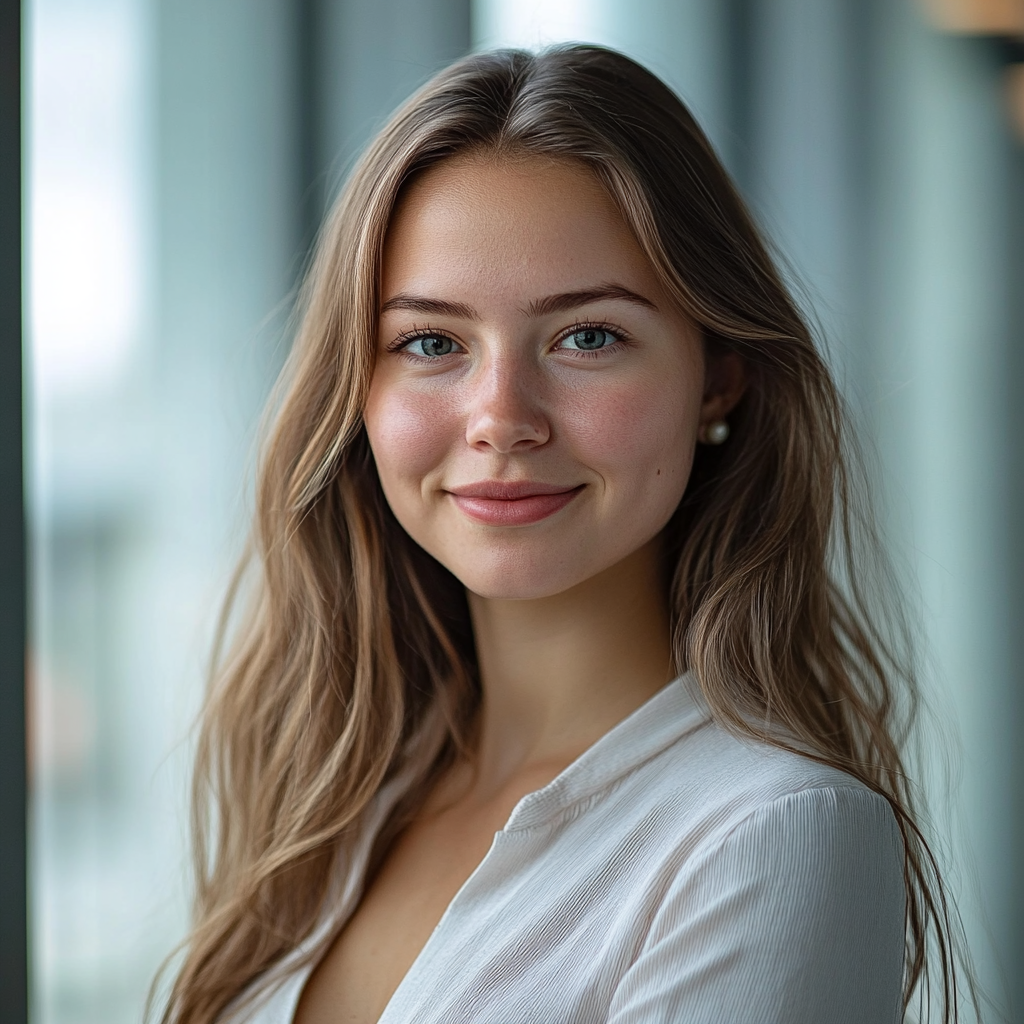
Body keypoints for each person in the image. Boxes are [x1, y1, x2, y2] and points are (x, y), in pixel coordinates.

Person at [160, 45, 967, 1024]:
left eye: (587, 336)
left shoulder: (770, 835)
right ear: (356, 391)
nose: (501, 417)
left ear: (717, 376)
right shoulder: (334, 795)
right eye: (430, 342)